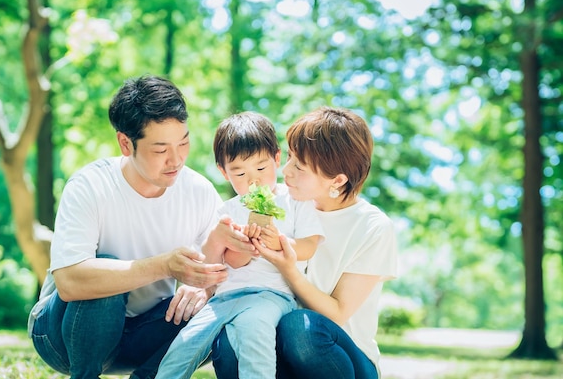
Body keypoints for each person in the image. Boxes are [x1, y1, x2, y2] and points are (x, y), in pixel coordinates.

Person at [27, 75, 253, 379]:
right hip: (64, 337)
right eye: (160, 150)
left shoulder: (198, 191)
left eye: (183, 143)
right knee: (104, 271)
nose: (176, 160)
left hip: (144, 336)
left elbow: (232, 272)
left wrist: (206, 290)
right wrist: (165, 266)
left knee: (219, 310)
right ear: (125, 143)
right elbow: (69, 282)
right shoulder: (90, 186)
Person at [211, 106, 399, 379]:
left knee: (299, 327)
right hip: (281, 347)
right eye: (289, 157)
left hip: (342, 357)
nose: (285, 171)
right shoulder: (279, 203)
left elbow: (337, 313)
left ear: (336, 180)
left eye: (299, 166)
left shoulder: (373, 227)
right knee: (231, 341)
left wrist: (287, 266)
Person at [154, 111, 325, 379]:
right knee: (185, 345)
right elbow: (231, 262)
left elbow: (309, 246)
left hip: (270, 295)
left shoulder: (294, 201)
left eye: (261, 168)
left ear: (277, 159)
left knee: (254, 332)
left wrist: (280, 243)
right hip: (225, 297)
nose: (253, 180)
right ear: (223, 172)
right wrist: (244, 246)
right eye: (240, 172)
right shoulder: (227, 211)